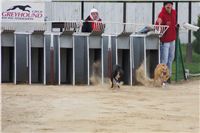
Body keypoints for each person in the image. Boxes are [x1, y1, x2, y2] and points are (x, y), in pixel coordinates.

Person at [156, 1, 177, 83]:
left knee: (171, 58)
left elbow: (173, 23)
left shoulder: (174, 12)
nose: (169, 6)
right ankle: (162, 78)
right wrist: (158, 23)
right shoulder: (161, 14)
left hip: (172, 39)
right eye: (167, 4)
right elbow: (158, 26)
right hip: (165, 41)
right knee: (164, 60)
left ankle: (168, 76)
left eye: (170, 4)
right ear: (164, 6)